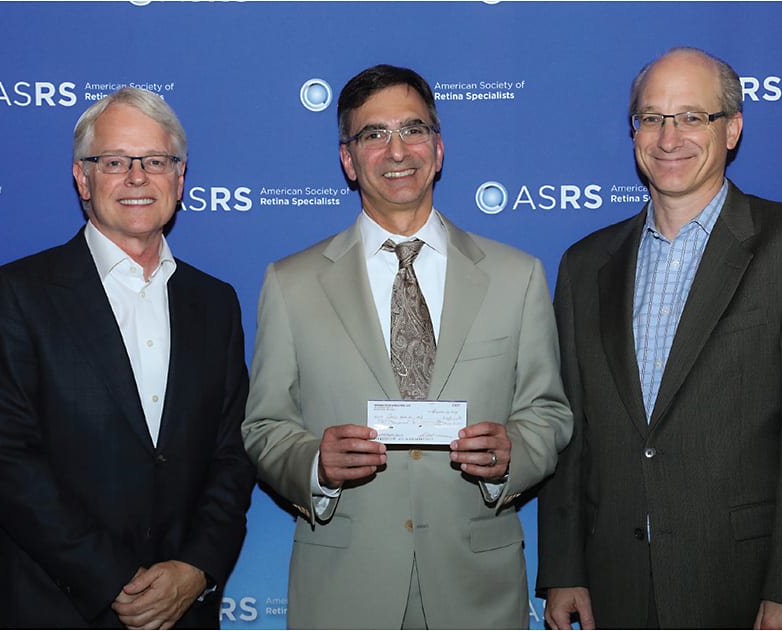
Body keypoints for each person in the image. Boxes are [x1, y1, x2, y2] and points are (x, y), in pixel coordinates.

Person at [537, 47, 782, 629]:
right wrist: (565, 569)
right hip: (613, 587)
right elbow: (572, 431)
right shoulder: (584, 264)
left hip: (745, 585)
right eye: (651, 118)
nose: (669, 138)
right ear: (634, 131)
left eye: (692, 117)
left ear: (733, 128)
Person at [242, 64, 572, 629]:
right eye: (373, 134)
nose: (397, 150)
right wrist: (314, 464)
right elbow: (264, 425)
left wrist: (512, 451)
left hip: (479, 592)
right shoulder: (290, 283)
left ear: (438, 149)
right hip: (344, 593)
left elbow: (548, 412)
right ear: (348, 159)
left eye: (413, 129)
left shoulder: (517, 276)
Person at [0, 87, 255, 629]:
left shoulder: (215, 303)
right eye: (115, 161)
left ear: (180, 176)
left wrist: (195, 568)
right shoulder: (16, 294)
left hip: (181, 611)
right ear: (82, 178)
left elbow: (232, 455)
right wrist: (114, 580)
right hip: (49, 608)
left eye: (156, 161)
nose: (137, 177)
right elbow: (7, 463)